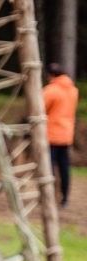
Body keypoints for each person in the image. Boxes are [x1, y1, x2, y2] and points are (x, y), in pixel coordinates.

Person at [43, 63, 79, 207]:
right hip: (66, 135)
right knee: (64, 167)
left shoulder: (50, 90)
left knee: (49, 168)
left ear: (50, 75)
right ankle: (65, 197)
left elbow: (39, 108)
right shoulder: (73, 90)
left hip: (51, 134)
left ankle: (49, 196)